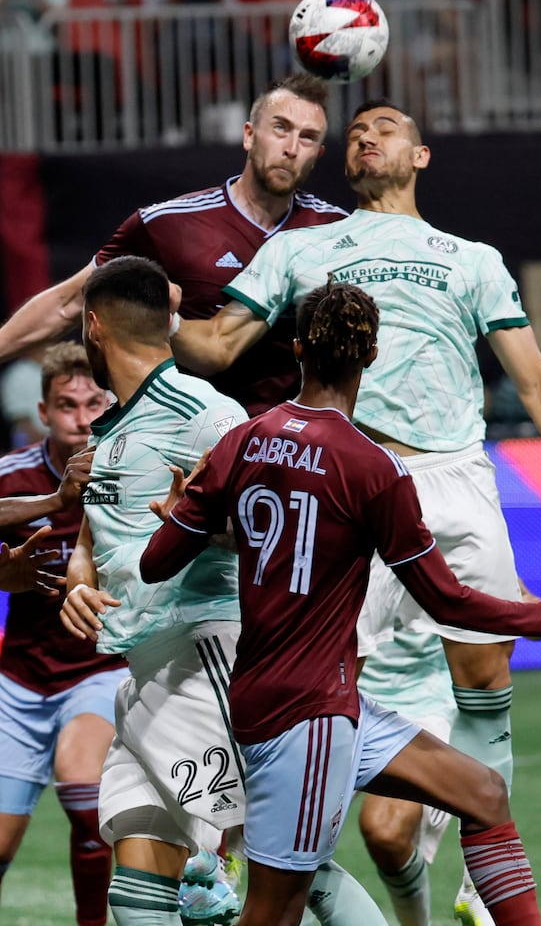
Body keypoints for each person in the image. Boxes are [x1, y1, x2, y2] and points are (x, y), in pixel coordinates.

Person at [166, 98, 541, 919]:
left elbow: (533, 379)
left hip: (456, 472)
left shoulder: (469, 258)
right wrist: (154, 322)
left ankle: (477, 877)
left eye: (383, 127)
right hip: (350, 479)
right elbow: (216, 346)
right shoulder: (302, 248)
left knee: (483, 677)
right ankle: (262, 855)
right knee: (312, 693)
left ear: (420, 155)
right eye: (354, 132)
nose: (364, 136)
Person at [140, 280, 541, 926]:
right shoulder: (373, 469)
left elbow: (154, 561)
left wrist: (184, 517)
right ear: (373, 356)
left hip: (310, 700)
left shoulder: (244, 441)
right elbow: (447, 600)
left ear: (298, 348)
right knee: (274, 913)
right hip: (305, 718)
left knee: (481, 791)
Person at [59, 256, 393, 926]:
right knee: (138, 875)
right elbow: (96, 543)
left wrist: (205, 536)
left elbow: (283, 535)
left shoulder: (208, 415)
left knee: (288, 866)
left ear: (94, 326)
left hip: (202, 657)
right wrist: (77, 582)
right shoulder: (115, 429)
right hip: (144, 673)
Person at [0, 74, 347, 417]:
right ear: (249, 135)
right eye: (281, 128)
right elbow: (66, 304)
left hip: (295, 445)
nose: (290, 148)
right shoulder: (166, 224)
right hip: (189, 438)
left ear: (318, 154)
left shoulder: (338, 231)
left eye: (307, 138)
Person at [0, 341, 129, 926]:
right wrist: (8, 579)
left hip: (99, 670)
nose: (81, 419)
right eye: (66, 405)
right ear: (44, 411)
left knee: (83, 789)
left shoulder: (135, 472)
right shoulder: (12, 475)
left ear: (111, 404)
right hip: (21, 680)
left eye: (93, 403)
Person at [357, 627, 493, 926]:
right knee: (285, 835)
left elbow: (500, 593)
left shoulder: (439, 577)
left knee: (385, 832)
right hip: (342, 696)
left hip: (424, 706)